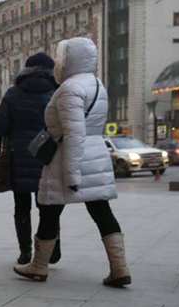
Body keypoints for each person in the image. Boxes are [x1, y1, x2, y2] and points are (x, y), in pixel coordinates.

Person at [14, 38, 131, 287]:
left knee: (48, 210)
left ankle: (39, 265)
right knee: (101, 211)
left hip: (68, 157)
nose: (57, 62)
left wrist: (72, 174)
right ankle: (119, 268)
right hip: (95, 157)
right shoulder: (97, 84)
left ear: (70, 60)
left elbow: (74, 132)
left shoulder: (69, 89)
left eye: (60, 57)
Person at [0, 52, 60, 266]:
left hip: (18, 157)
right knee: (48, 206)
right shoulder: (57, 93)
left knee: (22, 207)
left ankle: (25, 252)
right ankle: (52, 249)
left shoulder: (13, 93)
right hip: (47, 157)